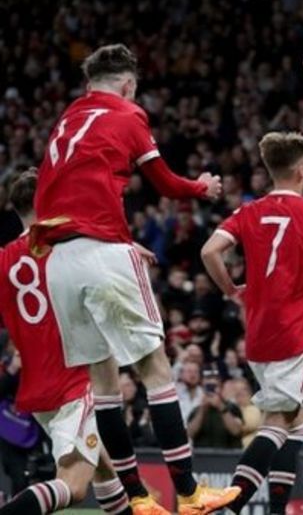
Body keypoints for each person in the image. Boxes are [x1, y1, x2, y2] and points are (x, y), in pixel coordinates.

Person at [31, 44, 237, 515]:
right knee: (155, 371)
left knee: (104, 384)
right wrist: (202, 188)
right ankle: (188, 492)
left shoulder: (67, 116)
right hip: (104, 252)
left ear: (89, 85)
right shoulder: (128, 112)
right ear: (127, 86)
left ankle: (138, 498)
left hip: (59, 263)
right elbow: (163, 182)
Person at [201, 132, 303, 514]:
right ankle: (235, 499)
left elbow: (209, 251)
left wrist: (230, 290)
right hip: (295, 331)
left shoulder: (249, 210)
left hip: (258, 334)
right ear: (299, 171)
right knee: (281, 419)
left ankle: (275, 511)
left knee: (298, 421)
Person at [0, 170, 138, 515]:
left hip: (38, 385)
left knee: (103, 465)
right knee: (74, 485)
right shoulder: (66, 247)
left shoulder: (3, 260)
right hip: (76, 381)